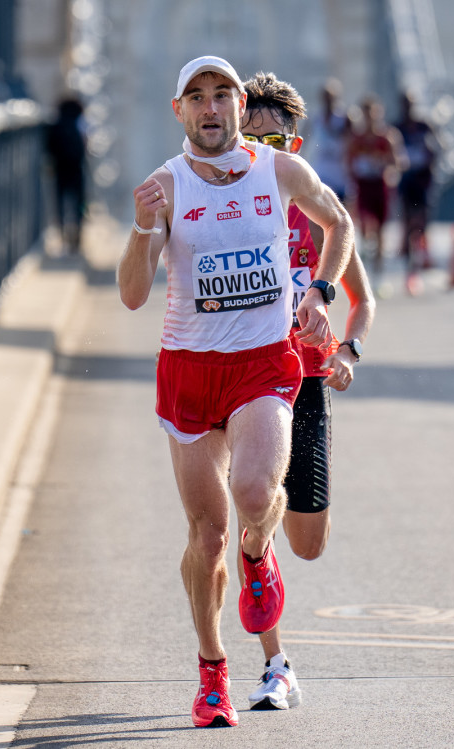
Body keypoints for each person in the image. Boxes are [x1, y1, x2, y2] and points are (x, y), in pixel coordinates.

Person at [117, 56, 353, 728]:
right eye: (198, 97)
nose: (212, 107)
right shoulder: (165, 185)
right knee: (206, 534)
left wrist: (320, 292)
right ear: (181, 111)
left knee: (253, 495)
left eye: (223, 94)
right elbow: (133, 296)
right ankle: (213, 671)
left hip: (262, 362)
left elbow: (339, 223)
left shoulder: (277, 170)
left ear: (238, 104)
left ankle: (261, 552)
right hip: (189, 368)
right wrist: (140, 229)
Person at [239, 71, 375, 711]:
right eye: (251, 138)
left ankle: (268, 541)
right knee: (254, 511)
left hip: (310, 382)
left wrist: (348, 349)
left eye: (276, 141)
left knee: (308, 543)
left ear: (295, 145)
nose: (264, 151)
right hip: (246, 379)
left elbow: (365, 302)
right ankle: (276, 663)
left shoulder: (321, 215)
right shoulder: (227, 207)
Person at [345, 95, 407, 281]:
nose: (370, 119)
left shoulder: (386, 136)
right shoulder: (357, 139)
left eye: (373, 115)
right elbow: (348, 161)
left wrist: (384, 163)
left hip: (380, 185)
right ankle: (366, 253)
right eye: (366, 115)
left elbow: (399, 161)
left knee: (379, 229)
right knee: (364, 225)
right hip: (363, 185)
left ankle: (378, 273)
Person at [394, 92, 438, 293]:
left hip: (422, 181)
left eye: (410, 104)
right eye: (404, 104)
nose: (407, 108)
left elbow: (436, 149)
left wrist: (430, 159)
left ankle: (421, 253)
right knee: (409, 223)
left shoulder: (424, 126)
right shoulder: (396, 128)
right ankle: (411, 268)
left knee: (422, 220)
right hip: (405, 182)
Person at [44, 96, 88, 254]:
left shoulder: (55, 125)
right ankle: (77, 238)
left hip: (60, 170)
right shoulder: (80, 123)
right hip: (77, 169)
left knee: (60, 204)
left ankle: (62, 236)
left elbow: (49, 148)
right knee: (79, 204)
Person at [305, 78, 352, 204]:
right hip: (322, 169)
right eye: (325, 97)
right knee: (323, 204)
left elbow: (352, 139)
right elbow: (305, 137)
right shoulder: (316, 117)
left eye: (330, 97)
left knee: (342, 205)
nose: (327, 101)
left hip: (340, 170)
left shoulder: (344, 117)